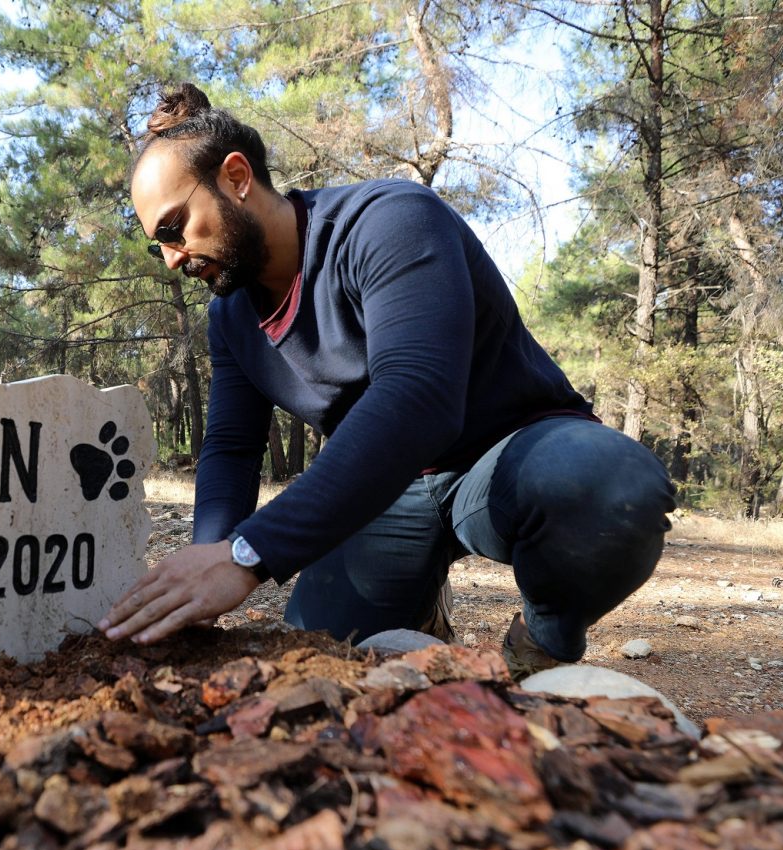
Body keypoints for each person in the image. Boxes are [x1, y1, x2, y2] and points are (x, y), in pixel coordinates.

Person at [97, 83, 676, 677]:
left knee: (609, 486)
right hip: (386, 489)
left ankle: (539, 646)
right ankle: (418, 613)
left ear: (237, 177)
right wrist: (205, 560)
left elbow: (418, 396)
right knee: (316, 660)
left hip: (510, 453)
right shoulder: (231, 317)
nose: (172, 257)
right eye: (158, 245)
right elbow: (232, 446)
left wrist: (247, 555)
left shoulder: (389, 221)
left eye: (175, 227)